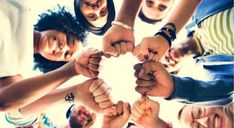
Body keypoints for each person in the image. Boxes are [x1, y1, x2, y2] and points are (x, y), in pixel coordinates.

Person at [0, 1, 101, 112]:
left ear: (57, 63)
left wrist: (71, 70)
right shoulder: (23, 8)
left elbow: (3, 101)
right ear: (61, 26)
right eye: (69, 40)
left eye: (66, 54)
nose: (63, 47)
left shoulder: (20, 72)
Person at [5, 79, 113, 128]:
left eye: (95, 109)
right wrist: (76, 93)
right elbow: (15, 109)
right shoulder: (42, 122)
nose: (89, 111)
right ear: (73, 106)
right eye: (88, 105)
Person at [134, 60, 233, 106]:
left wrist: (165, 35)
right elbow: (226, 90)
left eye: (199, 112)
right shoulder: (215, 69)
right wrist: (173, 89)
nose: (205, 122)